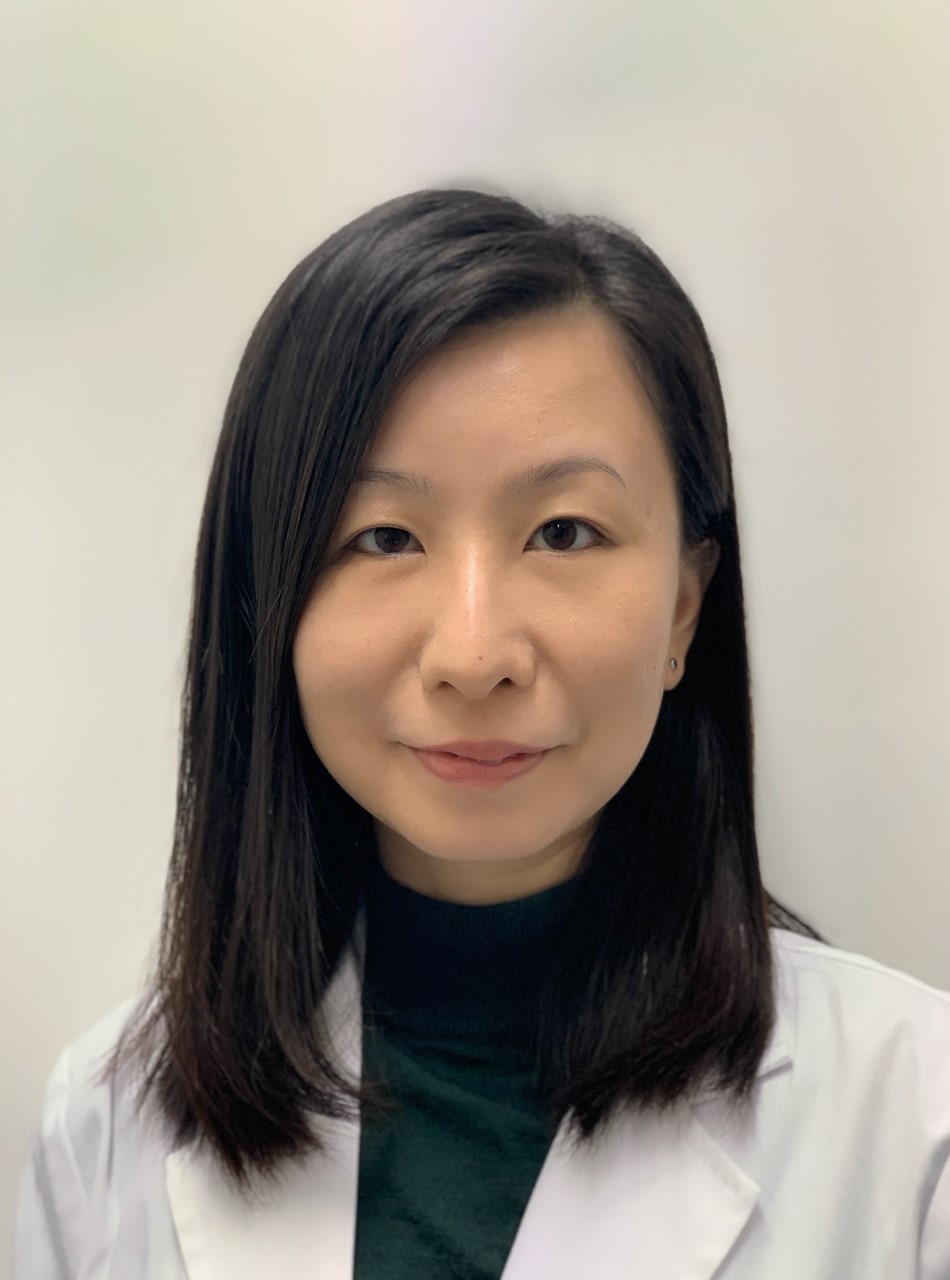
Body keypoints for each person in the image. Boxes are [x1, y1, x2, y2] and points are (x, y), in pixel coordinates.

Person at [13, 188, 950, 1279]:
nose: (472, 652)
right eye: (383, 537)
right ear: (267, 604)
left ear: (683, 610)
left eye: (564, 531)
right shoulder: (104, 1135)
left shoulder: (912, 1123)